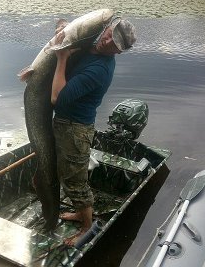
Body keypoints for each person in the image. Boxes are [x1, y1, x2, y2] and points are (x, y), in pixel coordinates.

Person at [51, 16, 137, 246]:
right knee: (70, 174)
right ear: (107, 28)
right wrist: (62, 28)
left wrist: (61, 59)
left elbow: (56, 99)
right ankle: (80, 213)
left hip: (75, 130)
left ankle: (87, 228)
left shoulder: (100, 69)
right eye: (108, 34)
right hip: (67, 125)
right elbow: (71, 27)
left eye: (113, 43)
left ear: (118, 51)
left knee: (75, 181)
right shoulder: (94, 45)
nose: (105, 41)